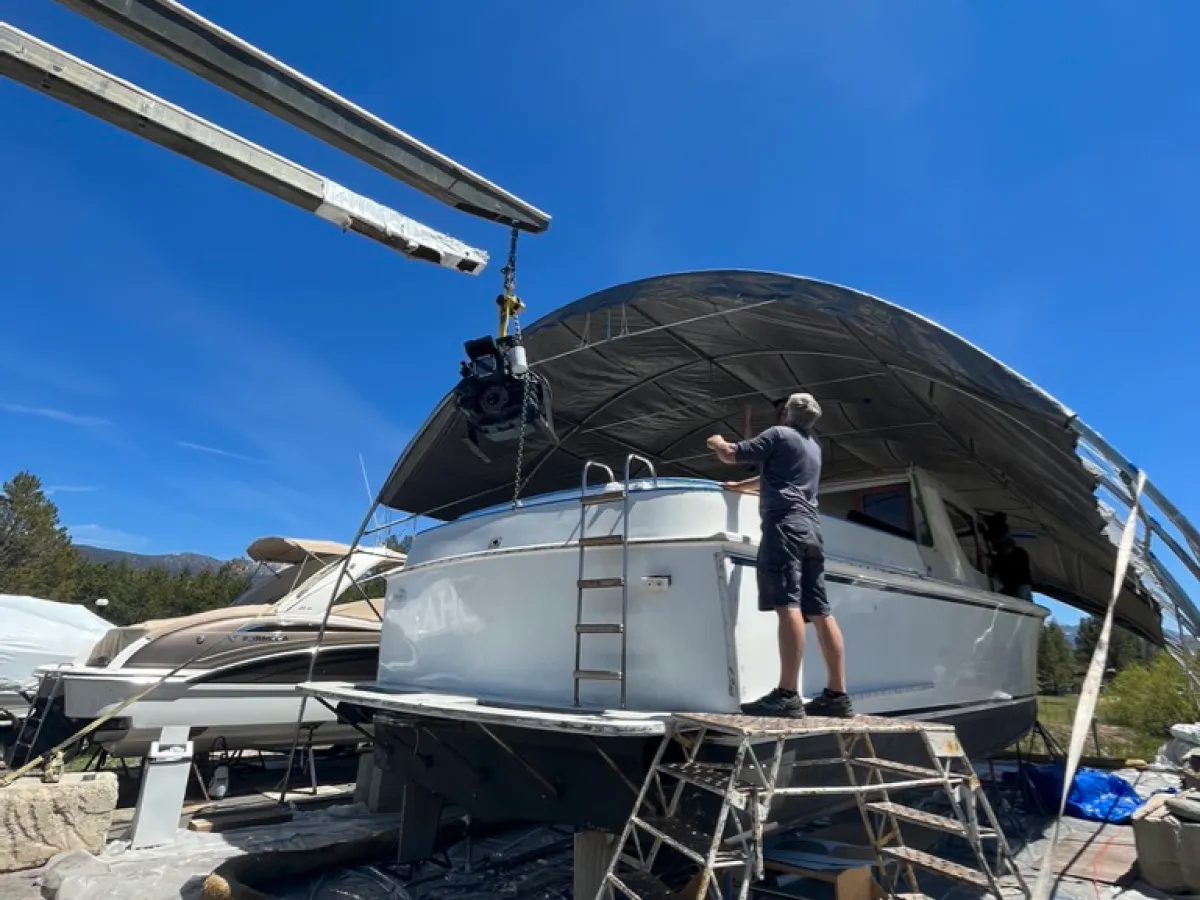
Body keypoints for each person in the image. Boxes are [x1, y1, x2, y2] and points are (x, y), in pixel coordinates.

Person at [706, 393, 852, 719]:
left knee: (788, 607)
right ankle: (837, 695)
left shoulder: (778, 434)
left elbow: (730, 454)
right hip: (812, 530)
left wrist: (716, 440)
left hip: (784, 525)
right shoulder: (813, 445)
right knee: (820, 611)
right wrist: (741, 487)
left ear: (786, 412)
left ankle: (787, 695)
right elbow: (776, 477)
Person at [983, 512, 1034, 601]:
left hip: (1018, 586)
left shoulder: (1016, 553)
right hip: (1014, 586)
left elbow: (1005, 562)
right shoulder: (1013, 553)